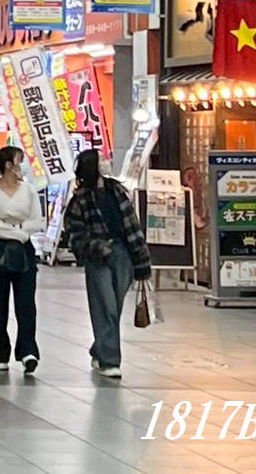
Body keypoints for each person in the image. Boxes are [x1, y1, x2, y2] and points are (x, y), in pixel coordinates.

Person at [63, 148, 152, 379]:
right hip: (98, 258)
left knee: (116, 306)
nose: (106, 162)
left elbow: (132, 225)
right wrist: (96, 247)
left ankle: (99, 347)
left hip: (124, 253)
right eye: (101, 159)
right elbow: (74, 234)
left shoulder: (117, 192)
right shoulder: (80, 199)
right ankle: (110, 360)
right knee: (106, 307)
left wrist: (141, 259)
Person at [0, 146, 44, 373]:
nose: (23, 165)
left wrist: (18, 231)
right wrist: (15, 231)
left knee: (26, 303)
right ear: (9, 165)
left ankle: (28, 351)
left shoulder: (28, 191)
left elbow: (36, 220)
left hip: (24, 250)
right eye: (20, 160)